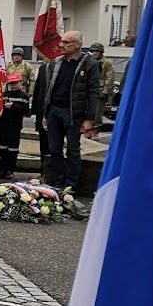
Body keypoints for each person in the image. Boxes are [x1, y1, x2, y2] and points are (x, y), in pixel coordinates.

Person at [38, 30, 100, 189]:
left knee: (72, 149)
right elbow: (49, 90)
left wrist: (89, 118)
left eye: (66, 42)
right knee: (54, 148)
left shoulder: (90, 64)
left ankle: (70, 185)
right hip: (54, 111)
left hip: (74, 113)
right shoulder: (56, 62)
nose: (61, 45)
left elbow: (93, 92)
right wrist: (45, 114)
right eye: (61, 41)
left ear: (77, 45)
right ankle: (58, 183)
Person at [0, 72, 30, 179]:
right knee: (3, 148)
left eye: (15, 83)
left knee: (13, 149)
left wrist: (13, 106)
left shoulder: (24, 96)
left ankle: (10, 170)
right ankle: (2, 169)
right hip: (4, 125)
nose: (13, 85)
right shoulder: (4, 95)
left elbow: (26, 111)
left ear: (21, 83)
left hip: (15, 126)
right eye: (11, 83)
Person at [89, 42, 114, 128]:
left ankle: (96, 129)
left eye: (97, 51)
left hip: (100, 90)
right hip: (90, 89)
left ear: (101, 52)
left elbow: (110, 78)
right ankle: (89, 128)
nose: (94, 53)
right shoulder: (89, 61)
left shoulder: (107, 63)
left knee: (98, 112)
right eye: (93, 51)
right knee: (88, 111)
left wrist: (105, 91)